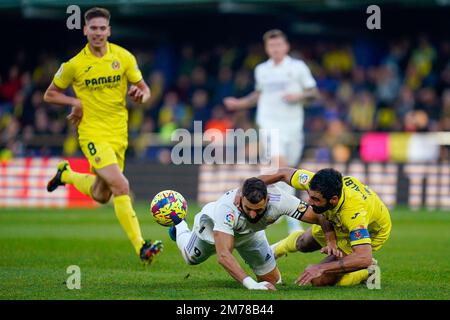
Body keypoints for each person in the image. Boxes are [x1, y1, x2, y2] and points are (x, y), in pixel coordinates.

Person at [43, 7, 162, 264]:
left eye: (102, 28)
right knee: (121, 186)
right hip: (92, 133)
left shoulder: (124, 57)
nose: (97, 33)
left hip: (119, 133)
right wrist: (73, 102)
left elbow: (145, 88)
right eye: (93, 28)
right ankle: (142, 246)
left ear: (109, 30)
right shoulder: (74, 65)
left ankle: (66, 174)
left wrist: (143, 95)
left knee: (102, 194)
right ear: (85, 30)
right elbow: (49, 94)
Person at [224, 29, 319, 234]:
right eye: (271, 46)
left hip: (292, 127)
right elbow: (258, 95)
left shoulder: (298, 67)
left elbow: (313, 92)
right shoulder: (262, 70)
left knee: (288, 173)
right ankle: (295, 219)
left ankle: (278, 208)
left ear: (286, 47)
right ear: (267, 48)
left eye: (278, 45)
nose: (275, 49)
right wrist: (239, 103)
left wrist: (299, 95)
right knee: (281, 166)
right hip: (269, 125)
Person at [168, 177, 338, 290]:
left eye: (259, 210)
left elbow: (319, 214)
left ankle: (271, 251)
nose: (252, 215)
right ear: (240, 198)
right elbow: (223, 255)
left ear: (268, 200)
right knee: (190, 257)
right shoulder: (226, 208)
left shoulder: (280, 200)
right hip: (214, 230)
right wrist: (250, 284)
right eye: (248, 208)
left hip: (251, 235)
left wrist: (332, 239)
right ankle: (180, 225)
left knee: (273, 283)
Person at [255, 167, 392, 287]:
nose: (309, 201)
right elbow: (283, 173)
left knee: (319, 280)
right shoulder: (317, 183)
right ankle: (274, 250)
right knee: (304, 243)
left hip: (371, 231)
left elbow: (363, 257)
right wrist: (247, 188)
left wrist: (321, 268)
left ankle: (367, 271)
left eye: (315, 199)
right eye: (310, 196)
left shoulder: (353, 214)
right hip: (336, 218)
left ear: (333, 199)